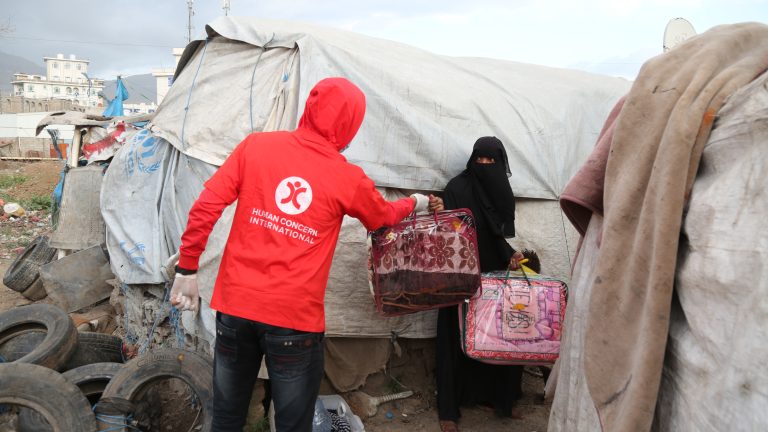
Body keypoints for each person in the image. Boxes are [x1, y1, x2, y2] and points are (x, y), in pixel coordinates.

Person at [169, 77, 431, 432]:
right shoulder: (346, 177)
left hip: (235, 310)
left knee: (227, 419)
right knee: (294, 425)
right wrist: (415, 202)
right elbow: (382, 218)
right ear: (350, 124)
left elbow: (206, 206)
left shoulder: (256, 147)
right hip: (294, 321)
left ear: (310, 106)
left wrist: (187, 268)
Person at [429, 136, 525, 432]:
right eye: (479, 160)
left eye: (491, 161)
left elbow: (495, 234)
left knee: (498, 336)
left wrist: (510, 256)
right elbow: (448, 231)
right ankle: (448, 410)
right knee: (452, 337)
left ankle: (495, 399)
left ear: (500, 164)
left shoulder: (501, 192)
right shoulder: (457, 188)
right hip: (458, 275)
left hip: (493, 273)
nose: (484, 166)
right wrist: (440, 210)